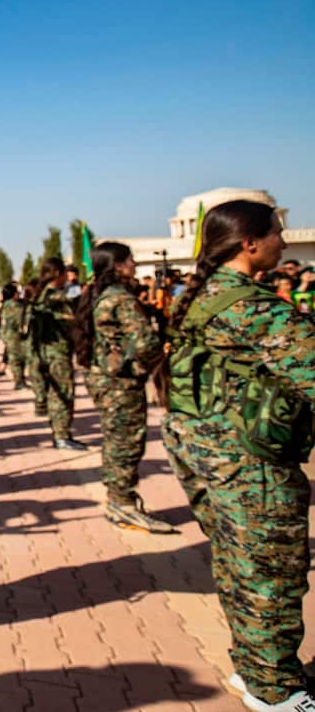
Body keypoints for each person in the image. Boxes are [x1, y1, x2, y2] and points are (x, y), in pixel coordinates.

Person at [162, 201, 315, 712]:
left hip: (207, 453)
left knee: (238, 565)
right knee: (270, 573)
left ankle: (254, 668)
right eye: (276, 233)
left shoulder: (202, 293)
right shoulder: (251, 307)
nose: (283, 242)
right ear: (249, 243)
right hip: (249, 464)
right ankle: (276, 690)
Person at [75, 242, 173, 534]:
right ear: (117, 265)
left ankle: (118, 499)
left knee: (115, 439)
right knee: (126, 442)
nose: (134, 265)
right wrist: (159, 358)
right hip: (120, 382)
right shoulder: (120, 298)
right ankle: (123, 503)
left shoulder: (99, 294)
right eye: (130, 260)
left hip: (104, 378)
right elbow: (145, 344)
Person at [26, 257, 86, 450]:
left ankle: (59, 433)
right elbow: (70, 308)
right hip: (56, 352)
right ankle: (62, 436)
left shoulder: (40, 293)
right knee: (63, 394)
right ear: (59, 273)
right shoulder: (52, 296)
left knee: (56, 393)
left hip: (48, 352)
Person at [0, 283, 27, 389]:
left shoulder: (15, 303)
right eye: (17, 292)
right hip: (11, 335)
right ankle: (19, 382)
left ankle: (20, 379)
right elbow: (16, 319)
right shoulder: (10, 305)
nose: (18, 294)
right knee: (15, 358)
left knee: (19, 357)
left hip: (13, 335)